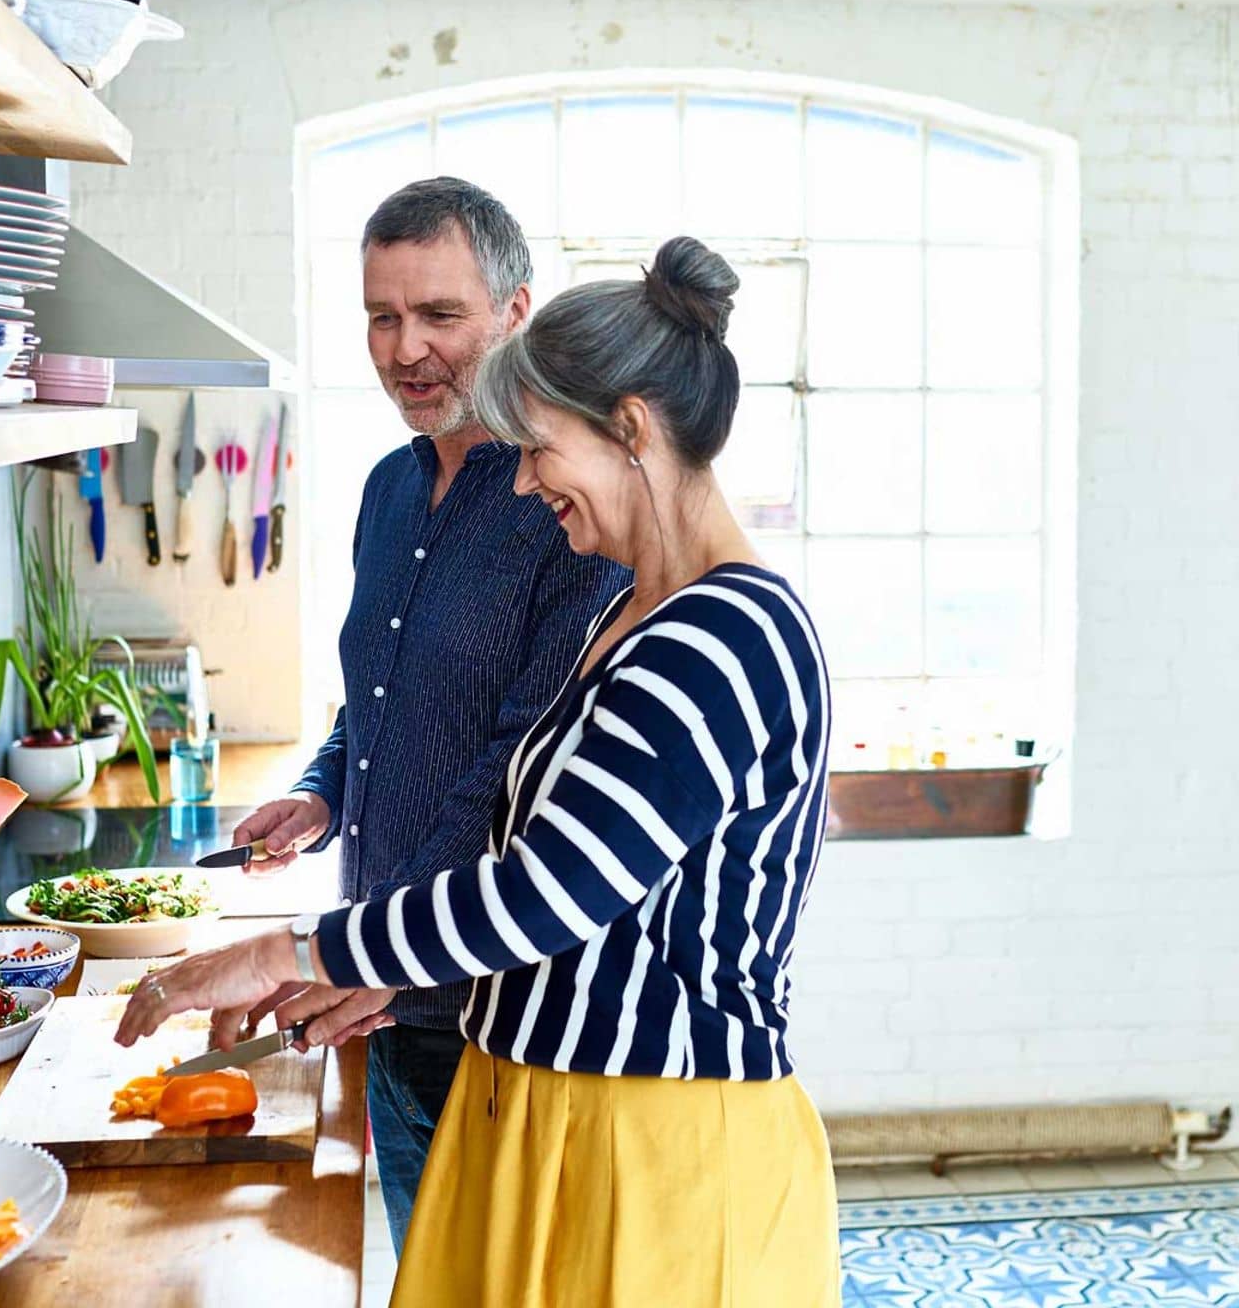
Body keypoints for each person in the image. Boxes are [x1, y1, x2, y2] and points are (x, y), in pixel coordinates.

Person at [122, 236, 839, 1307]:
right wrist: (372, 966)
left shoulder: (723, 637)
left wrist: (287, 947)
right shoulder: (629, 606)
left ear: (631, 430)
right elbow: (545, 866)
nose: (527, 477)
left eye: (541, 447)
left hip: (649, 1144)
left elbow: (544, 892)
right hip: (551, 1113)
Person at [223, 176, 628, 1253]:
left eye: (439, 315)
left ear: (513, 312)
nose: (407, 349)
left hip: (499, 1024)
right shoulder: (386, 491)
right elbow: (378, 699)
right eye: (380, 316)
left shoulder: (563, 511)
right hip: (384, 1002)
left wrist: (356, 953)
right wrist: (318, 793)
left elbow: (511, 771)